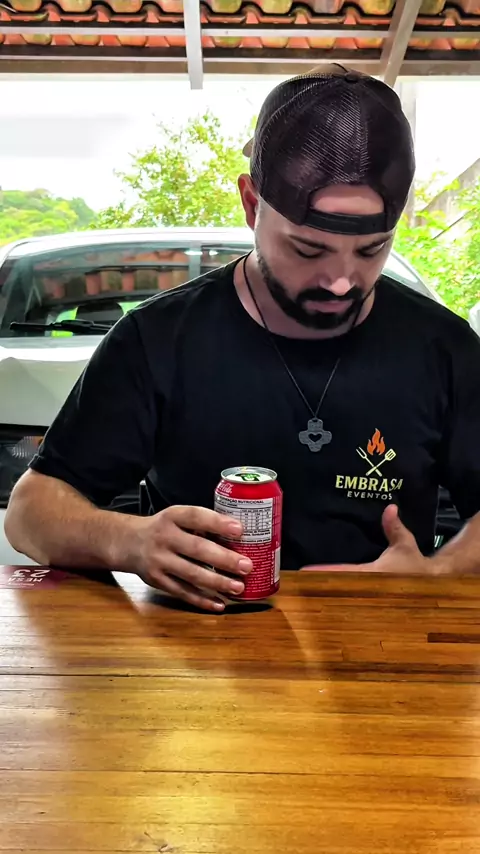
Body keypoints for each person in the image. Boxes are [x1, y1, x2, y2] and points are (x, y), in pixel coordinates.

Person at [5, 65, 480, 612]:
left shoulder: (443, 349)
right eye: (308, 249)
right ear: (252, 204)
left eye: (372, 250)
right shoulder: (158, 340)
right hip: (196, 644)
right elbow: (30, 511)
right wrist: (130, 541)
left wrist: (438, 573)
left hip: (381, 644)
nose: (342, 281)